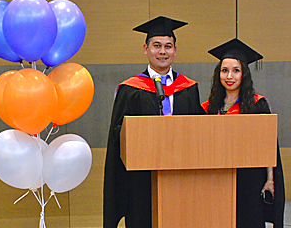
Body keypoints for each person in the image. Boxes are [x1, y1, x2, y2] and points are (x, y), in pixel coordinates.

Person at [103, 16, 205, 228]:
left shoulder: (188, 88)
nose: (163, 52)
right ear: (146, 49)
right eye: (157, 46)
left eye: (168, 46)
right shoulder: (130, 90)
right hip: (141, 180)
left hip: (181, 176)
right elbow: (117, 137)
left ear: (175, 50)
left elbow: (199, 132)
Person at [201, 38, 285, 228]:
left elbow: (268, 145)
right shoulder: (209, 107)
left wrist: (270, 180)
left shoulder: (258, 105)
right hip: (218, 178)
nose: (229, 76)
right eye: (225, 70)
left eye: (236, 71)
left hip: (250, 179)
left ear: (244, 75)